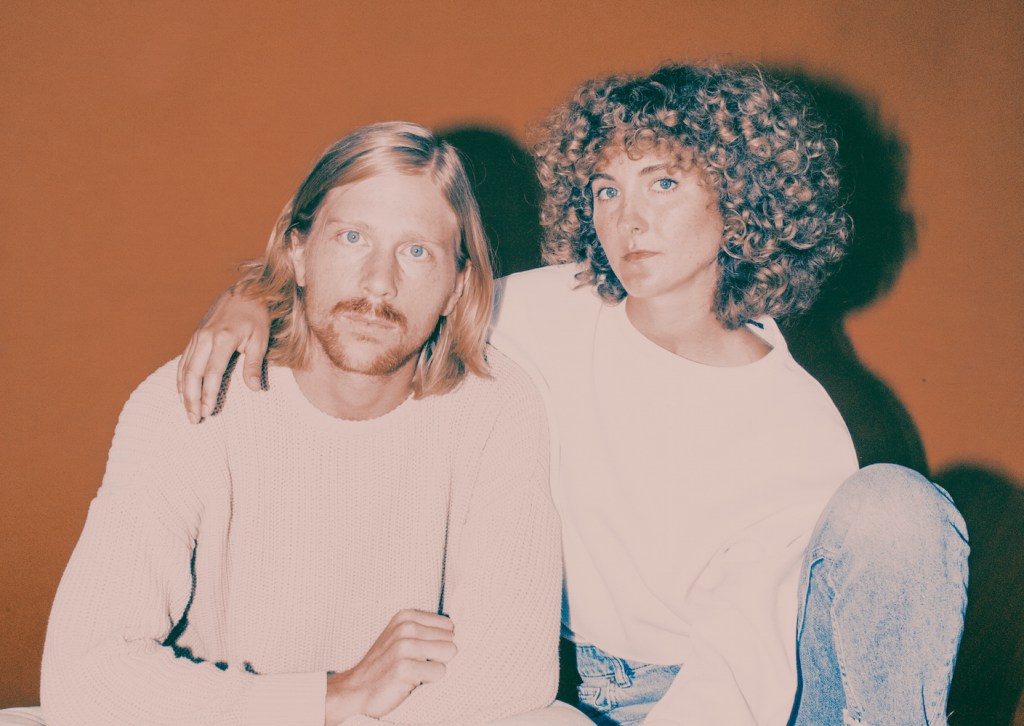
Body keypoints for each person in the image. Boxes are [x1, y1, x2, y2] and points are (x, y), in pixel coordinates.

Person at [176, 65, 969, 725]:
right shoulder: (548, 311)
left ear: (739, 200)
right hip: (567, 685)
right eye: (605, 191)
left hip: (739, 693)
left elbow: (740, 673)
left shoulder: (795, 428)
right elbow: (397, 304)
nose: (629, 221)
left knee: (897, 509)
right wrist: (256, 297)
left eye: (662, 183)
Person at [40, 122, 587, 726]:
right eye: (353, 237)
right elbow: (83, 676)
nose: (379, 283)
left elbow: (510, 672)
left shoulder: (495, 405)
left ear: (457, 287)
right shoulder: (195, 395)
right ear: (298, 253)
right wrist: (330, 698)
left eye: (417, 252)